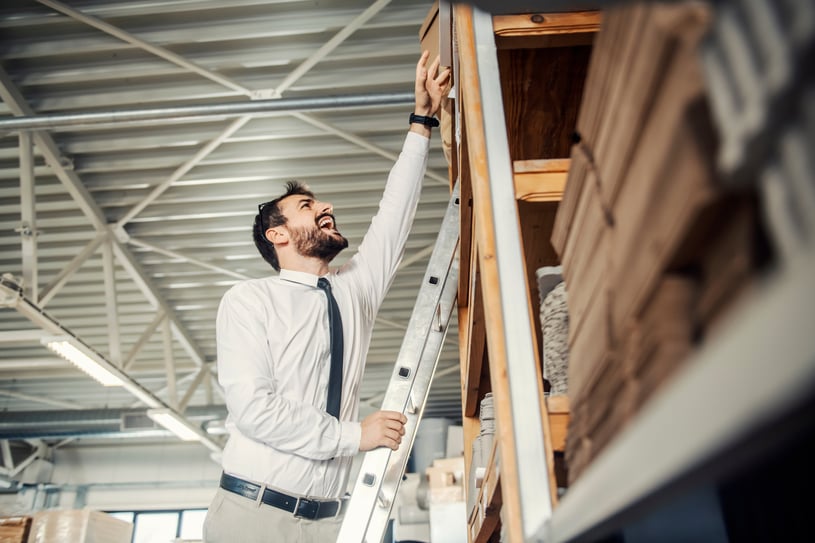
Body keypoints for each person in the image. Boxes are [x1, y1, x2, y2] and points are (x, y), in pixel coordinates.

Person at [203, 51, 450, 543]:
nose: (326, 207)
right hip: (253, 515)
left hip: (332, 523)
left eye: (321, 202)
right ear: (277, 236)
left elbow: (393, 219)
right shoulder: (249, 301)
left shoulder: (351, 291)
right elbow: (255, 408)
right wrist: (353, 436)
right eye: (306, 205)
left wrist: (422, 121)